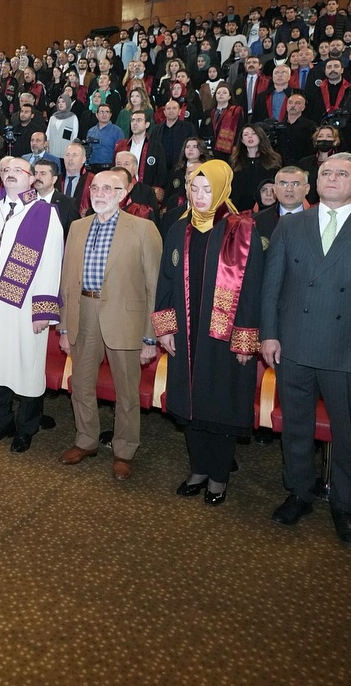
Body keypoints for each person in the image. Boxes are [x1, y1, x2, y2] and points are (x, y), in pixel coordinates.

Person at [261, 153, 351, 545]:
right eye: (326, 173)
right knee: (296, 427)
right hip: (294, 344)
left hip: (350, 352)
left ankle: (345, 504)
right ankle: (300, 491)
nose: (333, 179)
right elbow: (272, 286)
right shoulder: (291, 226)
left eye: (342, 174)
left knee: (349, 434)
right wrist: (269, 334)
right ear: (315, 183)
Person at [153, 160, 264, 504]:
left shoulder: (242, 229)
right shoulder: (178, 228)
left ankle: (218, 476)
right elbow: (167, 283)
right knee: (189, 402)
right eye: (194, 189)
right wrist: (165, 328)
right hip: (185, 334)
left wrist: (246, 339)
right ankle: (198, 468)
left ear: (222, 190)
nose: (200, 196)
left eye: (208, 189)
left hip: (223, 337)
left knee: (221, 404)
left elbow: (251, 289)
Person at [58, 167, 163, 480]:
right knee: (80, 385)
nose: (100, 194)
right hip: (83, 314)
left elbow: (154, 287)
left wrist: (150, 337)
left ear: (123, 195)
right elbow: (66, 280)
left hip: (126, 319)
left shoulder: (144, 229)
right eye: (96, 188)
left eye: (109, 189)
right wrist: (64, 326)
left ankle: (124, 450)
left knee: (127, 392)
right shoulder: (77, 227)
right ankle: (86, 439)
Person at [0, 157, 64, 453]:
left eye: (16, 171)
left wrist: (43, 308)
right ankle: (1, 421)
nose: (9, 174)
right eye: (4, 170)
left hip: (25, 305)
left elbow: (51, 262)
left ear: (32, 178)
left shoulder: (44, 213)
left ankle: (26, 427)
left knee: (26, 366)